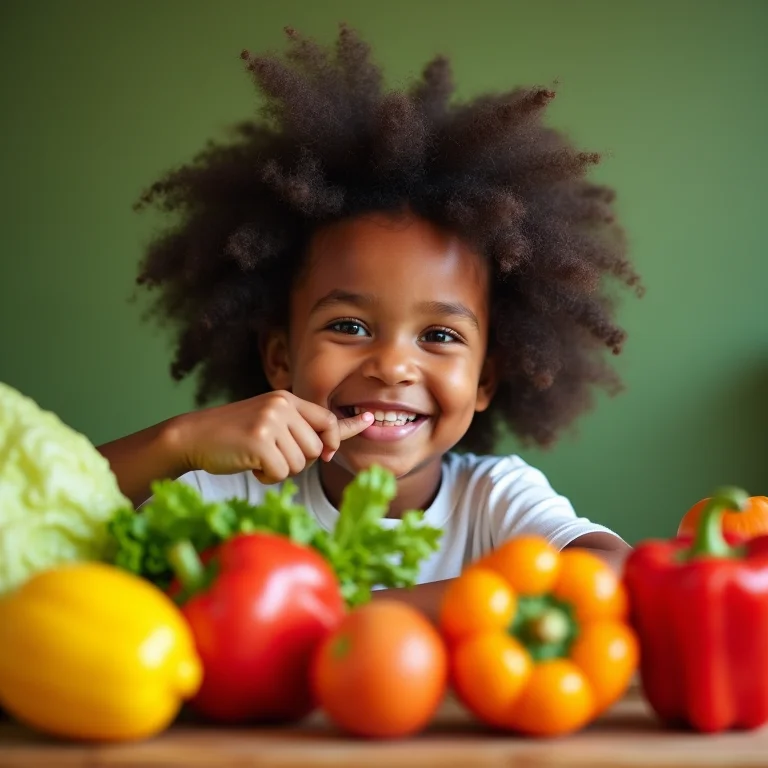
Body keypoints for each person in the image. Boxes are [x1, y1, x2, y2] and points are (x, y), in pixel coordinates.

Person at [98, 24, 643, 621]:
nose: (392, 366)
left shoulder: (493, 499)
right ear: (281, 357)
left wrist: (346, 615)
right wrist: (176, 444)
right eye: (350, 327)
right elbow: (33, 521)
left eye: (439, 336)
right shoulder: (227, 489)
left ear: (486, 379)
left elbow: (610, 572)